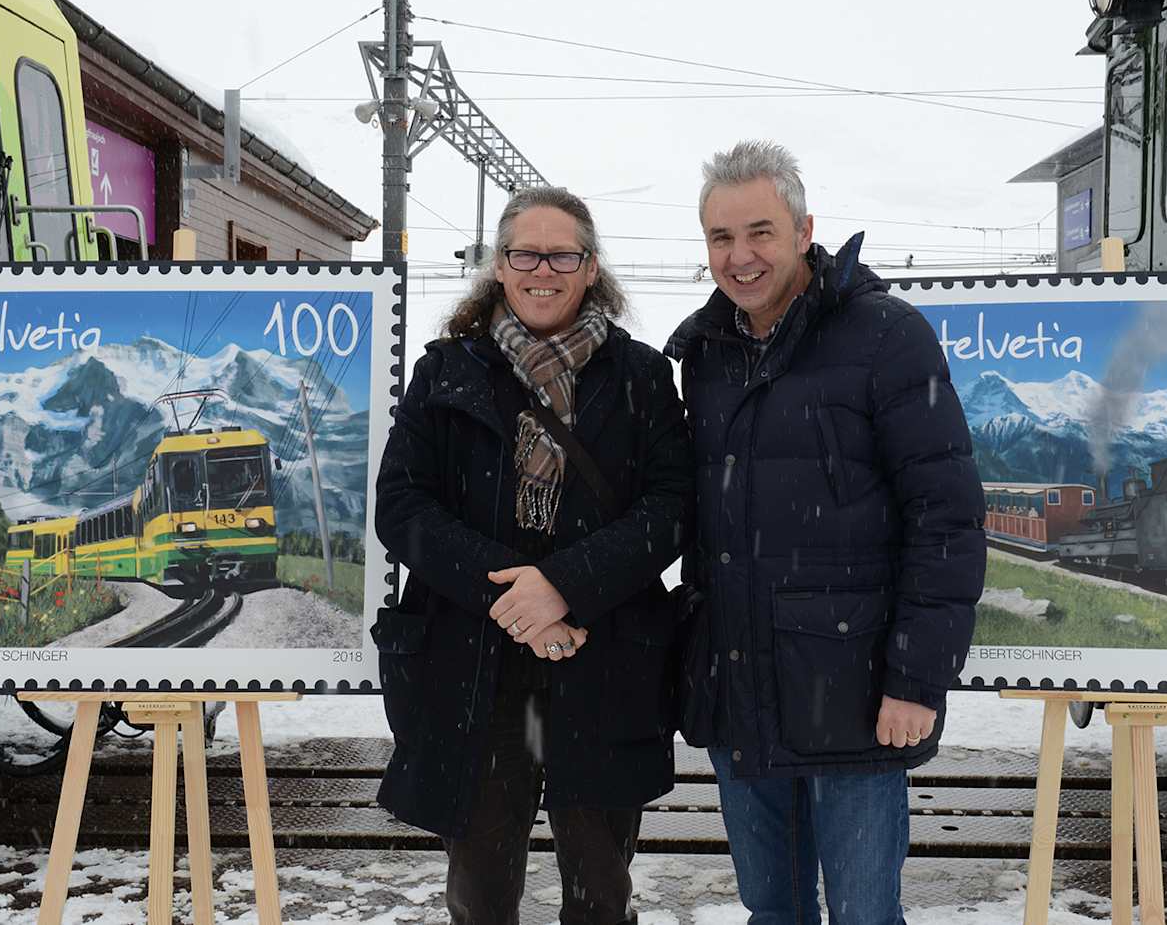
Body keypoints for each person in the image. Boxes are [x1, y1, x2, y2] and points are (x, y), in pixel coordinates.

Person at [664, 141, 986, 925]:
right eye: (720, 238)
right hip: (743, 690)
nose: (741, 257)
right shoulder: (703, 354)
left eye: (761, 232)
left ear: (806, 230)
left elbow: (945, 516)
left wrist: (917, 679)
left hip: (856, 693)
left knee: (864, 915)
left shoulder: (886, 336)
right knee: (772, 910)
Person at [372, 186, 692, 925]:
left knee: (600, 891)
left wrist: (566, 586)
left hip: (605, 658)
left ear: (589, 267)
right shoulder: (446, 371)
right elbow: (404, 507)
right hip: (474, 671)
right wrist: (518, 603)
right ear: (499, 265)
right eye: (524, 252)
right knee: (480, 894)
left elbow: (673, 508)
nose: (541, 269)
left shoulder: (642, 376)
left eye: (562, 254)